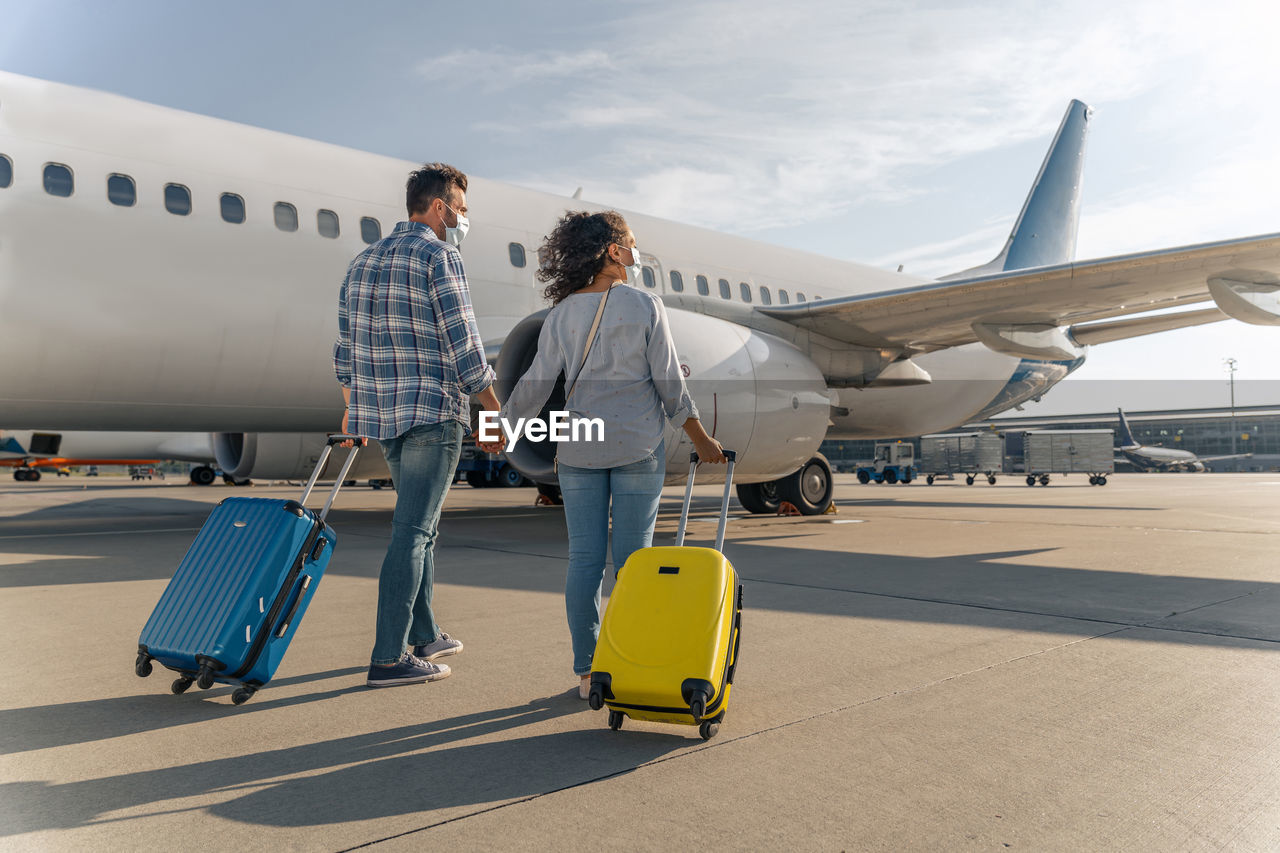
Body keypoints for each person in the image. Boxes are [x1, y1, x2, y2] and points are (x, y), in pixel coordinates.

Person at [501, 210, 725, 699]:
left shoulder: (560, 313)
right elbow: (669, 380)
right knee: (633, 564)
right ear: (611, 250)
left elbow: (536, 382)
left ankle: (587, 672)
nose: (635, 252)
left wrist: (502, 426)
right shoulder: (644, 305)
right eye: (630, 243)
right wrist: (700, 437)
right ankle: (627, 662)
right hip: (635, 446)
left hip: (578, 448)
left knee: (583, 562)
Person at [333, 162, 501, 688]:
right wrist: (491, 410)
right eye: (462, 211)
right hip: (431, 411)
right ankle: (388, 658)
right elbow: (463, 340)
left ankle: (424, 634)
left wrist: (352, 401)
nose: (463, 221)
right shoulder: (439, 255)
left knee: (418, 529)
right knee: (413, 531)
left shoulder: (362, 261)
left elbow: (345, 349)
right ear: (439, 207)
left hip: (385, 416)